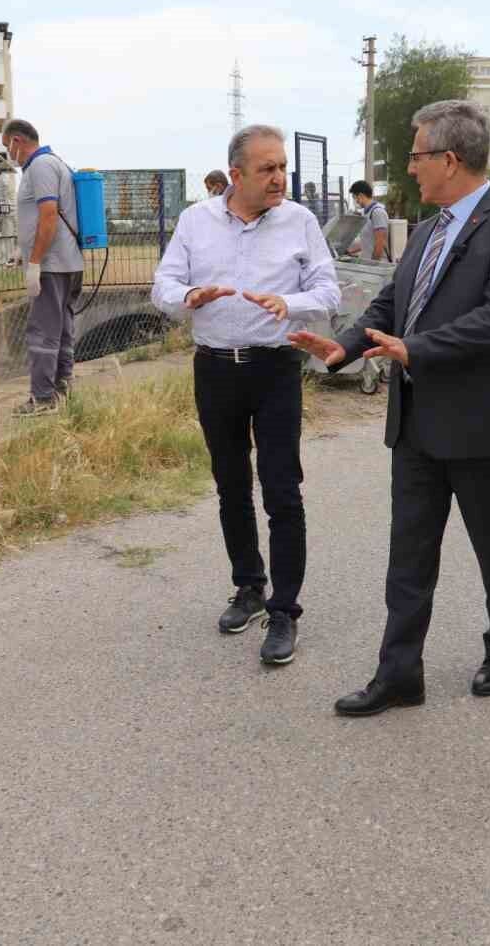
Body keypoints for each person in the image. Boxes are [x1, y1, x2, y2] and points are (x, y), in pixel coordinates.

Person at [288, 99, 490, 715]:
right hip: (417, 424)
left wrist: (415, 349)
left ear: (450, 160)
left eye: (416, 155)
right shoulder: (426, 231)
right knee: (408, 556)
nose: (409, 167)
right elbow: (390, 306)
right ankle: (399, 673)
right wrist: (343, 348)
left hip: (484, 424)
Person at [150, 124, 340, 666]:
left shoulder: (300, 222)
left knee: (282, 490)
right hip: (215, 369)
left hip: (275, 368)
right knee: (231, 485)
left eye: (282, 167)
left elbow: (328, 288)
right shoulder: (196, 220)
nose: (280, 177)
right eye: (267, 169)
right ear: (236, 175)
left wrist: (290, 303)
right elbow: (162, 286)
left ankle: (284, 612)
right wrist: (191, 294)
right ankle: (249, 588)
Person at [2, 118, 85, 417]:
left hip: (52, 266)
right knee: (61, 331)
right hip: (65, 263)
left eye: (7, 147)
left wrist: (35, 262)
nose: (9, 154)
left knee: (43, 333)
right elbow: (41, 220)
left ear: (17, 141)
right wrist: (22, 251)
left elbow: (48, 216)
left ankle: (42, 399)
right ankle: (62, 391)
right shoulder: (53, 164)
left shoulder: (40, 166)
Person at [348, 180, 391, 261]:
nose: (356, 201)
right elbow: (367, 241)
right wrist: (349, 250)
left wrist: (373, 265)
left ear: (360, 195)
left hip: (377, 266)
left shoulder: (377, 212)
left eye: (355, 198)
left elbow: (379, 244)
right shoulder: (366, 213)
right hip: (367, 263)